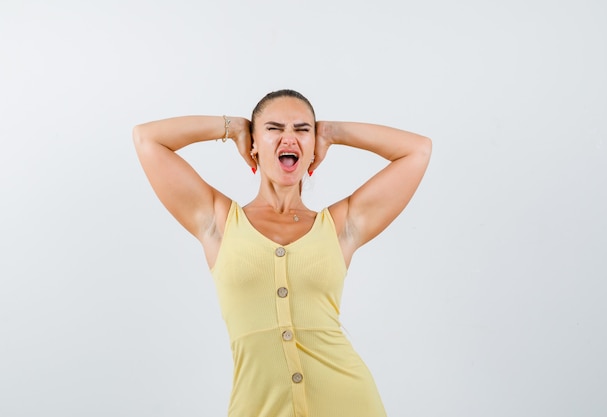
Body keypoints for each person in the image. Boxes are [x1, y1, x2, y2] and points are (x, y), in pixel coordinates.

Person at [133, 89, 432, 417]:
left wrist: (332, 132)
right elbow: (148, 139)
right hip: (259, 407)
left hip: (348, 403)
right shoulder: (218, 222)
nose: (289, 137)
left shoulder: (339, 226)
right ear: (254, 145)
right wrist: (231, 127)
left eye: (302, 130)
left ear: (313, 147)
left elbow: (417, 151)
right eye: (274, 129)